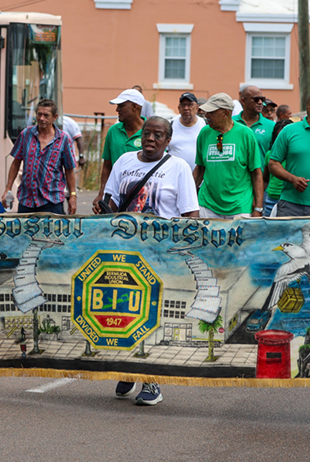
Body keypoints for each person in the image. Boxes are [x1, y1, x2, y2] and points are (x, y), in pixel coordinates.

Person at [101, 116, 199, 404]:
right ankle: (129, 370)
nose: (151, 139)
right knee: (123, 311)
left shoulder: (178, 167)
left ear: (168, 141)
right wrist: (103, 209)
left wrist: (183, 253)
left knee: (152, 316)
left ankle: (152, 383)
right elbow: (110, 205)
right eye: (147, 133)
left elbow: (190, 216)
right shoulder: (124, 162)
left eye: (158, 135)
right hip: (123, 254)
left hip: (160, 256)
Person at [193, 93, 263, 218]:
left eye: (212, 113)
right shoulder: (205, 132)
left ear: (225, 113)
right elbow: (199, 169)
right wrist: (190, 202)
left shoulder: (245, 134)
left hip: (239, 206)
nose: (207, 116)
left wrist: (258, 207)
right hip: (207, 205)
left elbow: (256, 172)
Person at [4, 98, 77, 214]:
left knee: (52, 232)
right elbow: (16, 163)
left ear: (55, 117)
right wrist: (8, 189)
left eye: (46, 115)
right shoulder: (26, 135)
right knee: (24, 232)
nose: (42, 118)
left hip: (52, 200)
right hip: (27, 199)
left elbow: (69, 169)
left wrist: (73, 195)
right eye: (39, 114)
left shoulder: (63, 139)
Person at [92, 89, 145, 209]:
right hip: (115, 195)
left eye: (121, 106)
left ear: (135, 107)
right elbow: (107, 165)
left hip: (141, 195)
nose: (117, 110)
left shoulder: (149, 132)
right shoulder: (113, 131)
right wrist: (102, 193)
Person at [234, 85, 274, 162]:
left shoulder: (271, 126)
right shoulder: (231, 122)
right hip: (235, 173)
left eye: (262, 99)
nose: (260, 102)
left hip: (261, 173)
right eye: (256, 99)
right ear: (243, 101)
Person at [262, 119, 293, 216]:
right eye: (278, 136)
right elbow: (265, 179)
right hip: (271, 198)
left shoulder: (295, 156)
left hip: (289, 199)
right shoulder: (269, 154)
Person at [168, 92, 206, 170]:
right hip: (174, 175)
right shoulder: (170, 124)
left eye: (190, 105)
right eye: (183, 105)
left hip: (199, 177)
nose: (186, 108)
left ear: (196, 108)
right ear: (179, 108)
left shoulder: (205, 125)